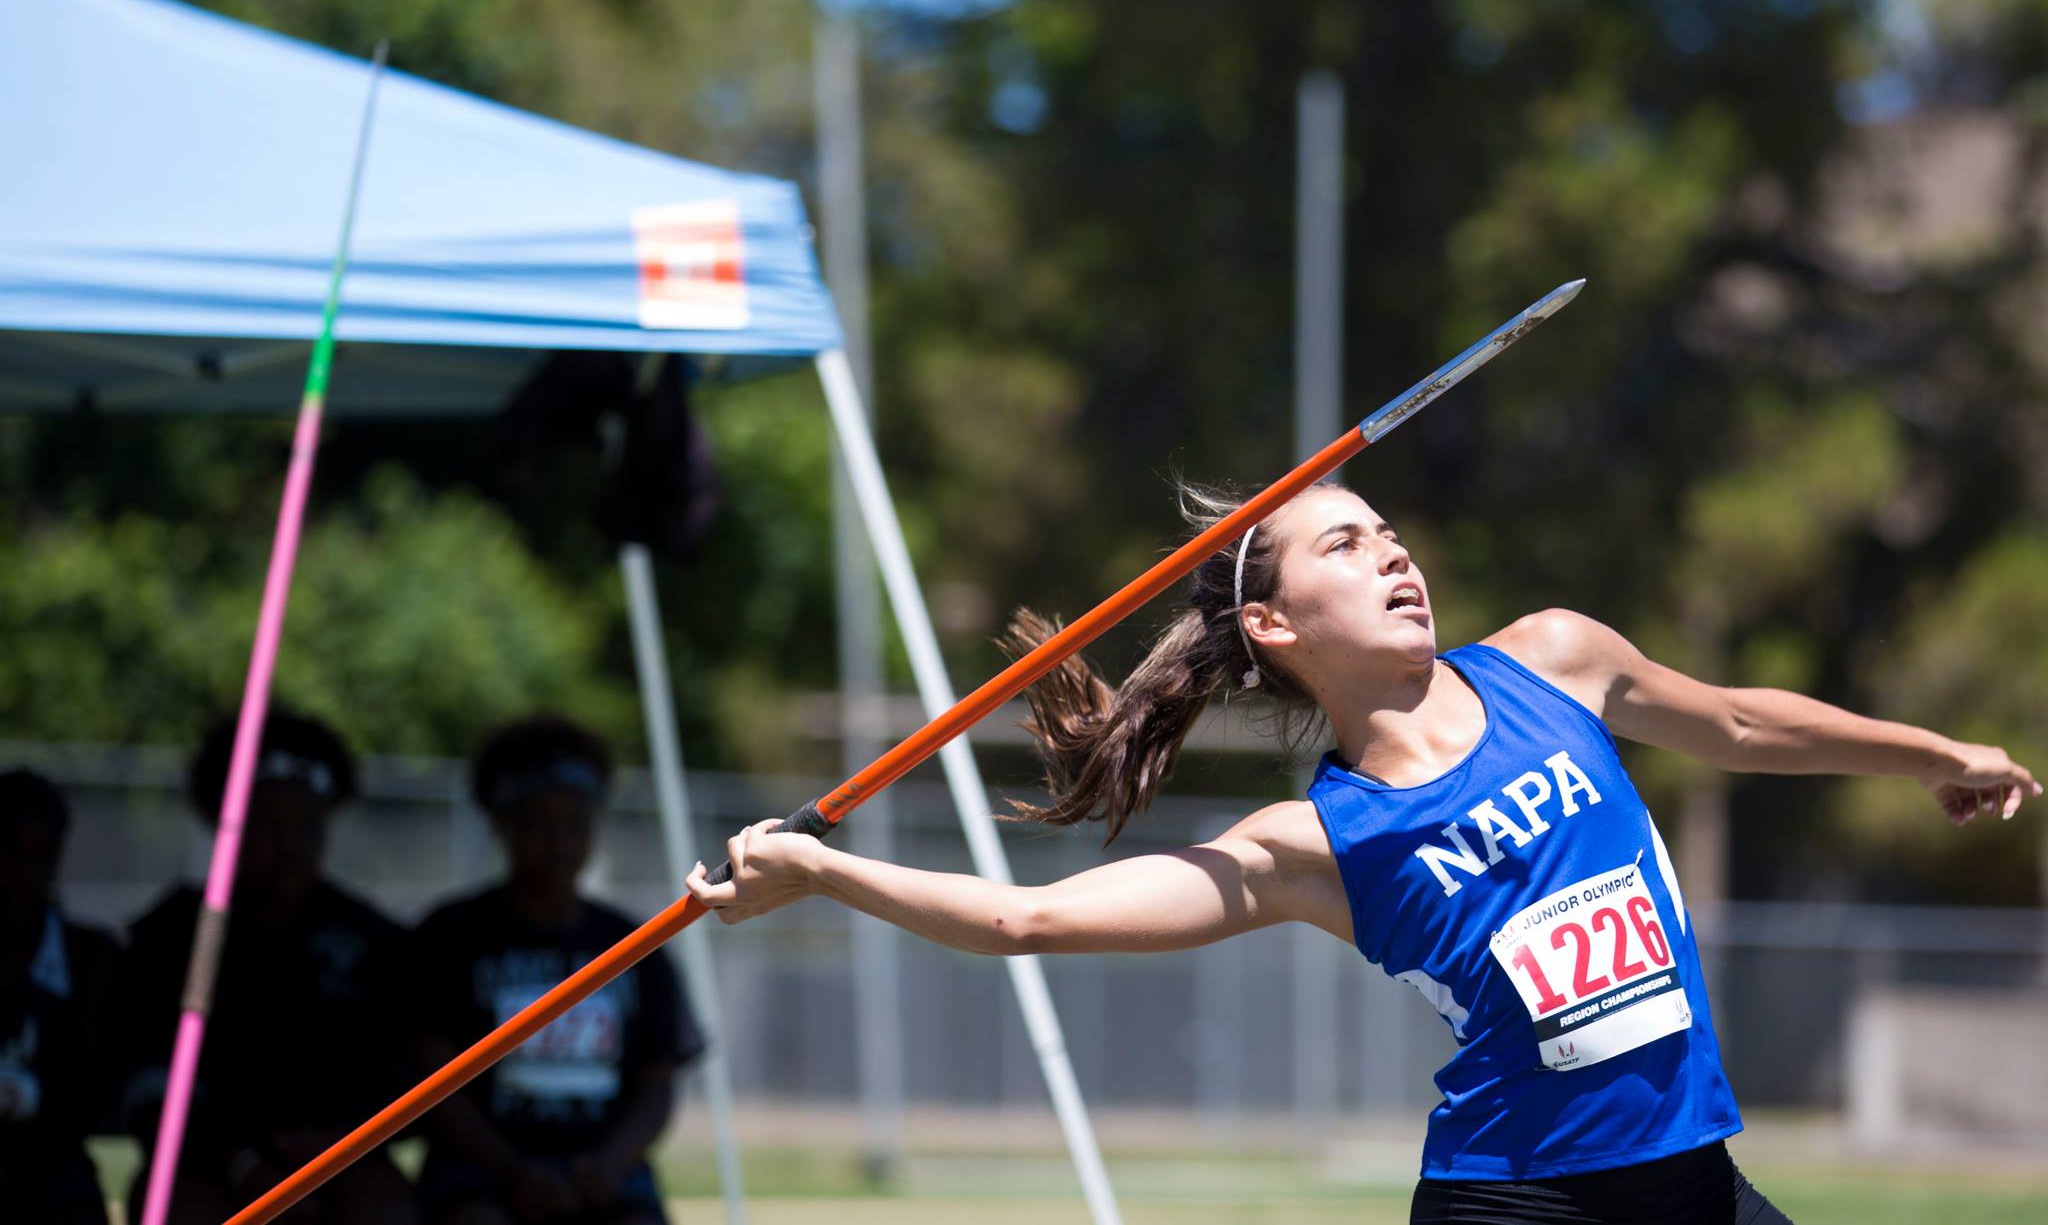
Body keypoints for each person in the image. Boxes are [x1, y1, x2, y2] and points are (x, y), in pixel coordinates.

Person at [688, 481, 2039, 1225]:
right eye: (1347, 542)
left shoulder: (1554, 659)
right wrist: (820, 870)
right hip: (1518, 1207)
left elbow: (1742, 719)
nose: (1395, 553)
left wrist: (1931, 753)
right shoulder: (1308, 844)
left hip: (1693, 1181)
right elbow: (1021, 923)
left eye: (1391, 531)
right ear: (1277, 624)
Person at [117, 712, 418, 1224]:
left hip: (341, 1157)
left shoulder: (368, 939)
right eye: (266, 825)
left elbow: (401, 1074)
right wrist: (241, 1163)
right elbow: (146, 1081)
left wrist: (337, 1144)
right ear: (227, 823)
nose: (288, 846)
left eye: (305, 825)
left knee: (385, 1209)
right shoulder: (187, 931)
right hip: (210, 1163)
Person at [410, 716, 703, 1225]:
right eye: (540, 823)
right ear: (503, 825)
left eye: (575, 823)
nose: (559, 842)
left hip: (603, 1174)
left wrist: (609, 1167)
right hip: (479, 1174)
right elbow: (431, 1080)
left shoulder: (636, 944)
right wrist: (511, 1172)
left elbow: (657, 1083)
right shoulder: (450, 937)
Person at [0, 768, 119, 1224]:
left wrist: (24, 1171)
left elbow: (87, 1100)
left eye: (40, 856)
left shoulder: (90, 961)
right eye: (8, 851)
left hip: (49, 1176)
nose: (21, 875)